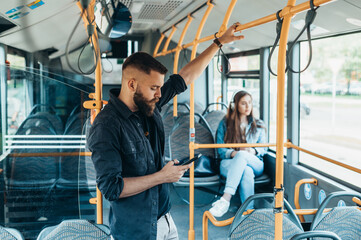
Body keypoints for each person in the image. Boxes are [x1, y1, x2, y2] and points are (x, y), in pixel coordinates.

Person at [87, 23, 244, 240]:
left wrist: (218, 43)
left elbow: (185, 78)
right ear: (132, 85)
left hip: (165, 219)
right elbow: (112, 188)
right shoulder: (106, 126)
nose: (160, 94)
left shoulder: (149, 106)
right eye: (154, 88)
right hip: (136, 231)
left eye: (160, 87)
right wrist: (162, 176)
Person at [209, 90, 267, 217]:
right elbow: (220, 149)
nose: (248, 107)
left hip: (255, 161)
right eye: (243, 103)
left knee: (243, 157)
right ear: (235, 105)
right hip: (229, 162)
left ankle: (225, 199)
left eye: (250, 103)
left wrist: (251, 151)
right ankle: (249, 212)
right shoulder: (225, 124)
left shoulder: (259, 124)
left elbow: (264, 149)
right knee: (246, 171)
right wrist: (235, 153)